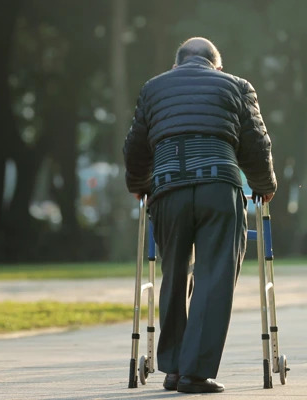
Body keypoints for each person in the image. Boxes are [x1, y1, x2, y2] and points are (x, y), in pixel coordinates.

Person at [123, 37, 277, 393]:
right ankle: (195, 373)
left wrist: (138, 184)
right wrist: (263, 184)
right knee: (214, 276)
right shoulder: (237, 86)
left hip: (167, 189)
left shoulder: (153, 88)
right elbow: (256, 142)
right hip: (219, 188)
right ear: (216, 66)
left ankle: (174, 368)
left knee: (174, 272)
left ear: (176, 66)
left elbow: (136, 144)